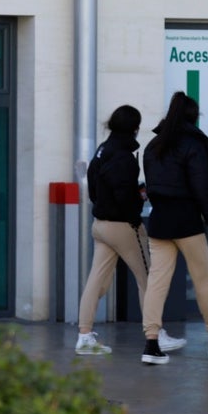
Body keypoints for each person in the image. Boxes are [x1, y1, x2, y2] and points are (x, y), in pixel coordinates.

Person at [140, 91, 208, 365]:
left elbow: (151, 185)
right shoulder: (194, 144)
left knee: (157, 281)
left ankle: (151, 343)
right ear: (192, 116)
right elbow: (202, 187)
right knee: (204, 279)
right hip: (187, 221)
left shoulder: (154, 145)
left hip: (160, 220)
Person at [75, 105, 185, 356]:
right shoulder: (123, 156)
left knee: (95, 281)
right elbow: (124, 194)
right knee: (149, 278)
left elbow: (94, 187)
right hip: (124, 226)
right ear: (134, 128)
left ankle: (84, 335)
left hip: (100, 225)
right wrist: (139, 200)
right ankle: (155, 336)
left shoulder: (102, 150)